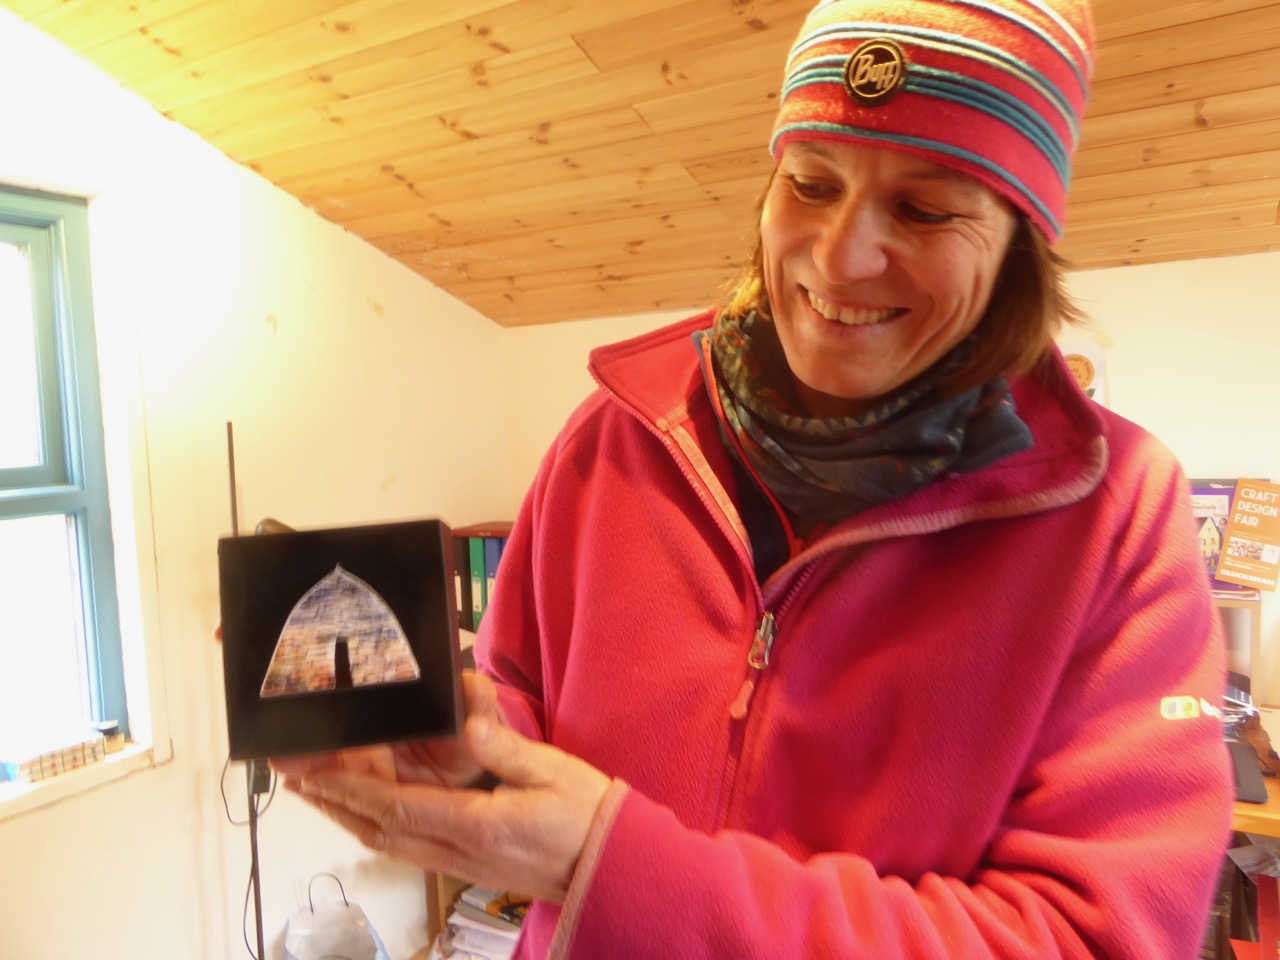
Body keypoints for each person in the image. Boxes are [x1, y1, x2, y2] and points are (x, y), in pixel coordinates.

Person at [274, 0, 1235, 956]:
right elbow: (520, 689)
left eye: (923, 207)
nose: (839, 256)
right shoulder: (614, 441)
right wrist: (453, 751)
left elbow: (1093, 939)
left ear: (1021, 238)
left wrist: (610, 865)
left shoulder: (1119, 526)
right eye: (812, 183)